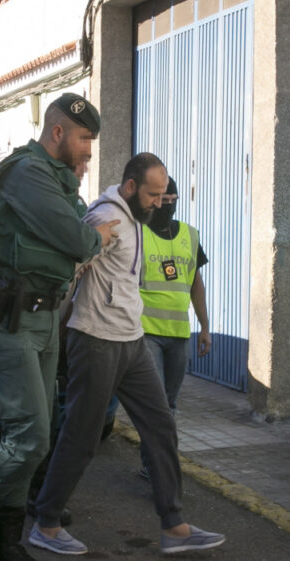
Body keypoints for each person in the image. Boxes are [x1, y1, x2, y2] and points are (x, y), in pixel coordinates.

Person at [0, 93, 116, 561]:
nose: (87, 151)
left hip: (43, 317)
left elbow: (76, 233)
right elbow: (81, 240)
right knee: (29, 436)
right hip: (8, 319)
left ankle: (7, 545)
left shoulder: (59, 178)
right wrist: (97, 237)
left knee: (42, 434)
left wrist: (87, 225)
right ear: (57, 132)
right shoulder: (27, 172)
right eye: (83, 139)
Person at [30, 153, 225, 556]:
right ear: (132, 187)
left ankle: (175, 526)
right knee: (82, 436)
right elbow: (70, 267)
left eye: (164, 194)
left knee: (161, 425)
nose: (160, 202)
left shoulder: (138, 218)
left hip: (131, 340)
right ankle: (46, 524)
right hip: (96, 340)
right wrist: (52, 327)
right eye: (154, 194)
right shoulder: (105, 217)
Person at [128, 176, 210, 478]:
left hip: (178, 335)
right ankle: (157, 467)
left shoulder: (189, 234)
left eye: (171, 198)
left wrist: (204, 326)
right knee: (158, 404)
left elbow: (195, 284)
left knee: (170, 403)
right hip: (146, 333)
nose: (167, 204)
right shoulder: (137, 233)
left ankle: (156, 461)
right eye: (161, 198)